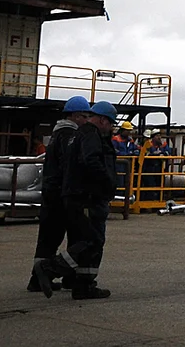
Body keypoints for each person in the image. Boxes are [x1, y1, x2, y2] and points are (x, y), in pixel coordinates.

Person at [33, 101, 119, 300]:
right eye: (111, 123)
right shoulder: (90, 135)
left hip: (79, 195)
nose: (112, 128)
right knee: (91, 240)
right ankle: (50, 268)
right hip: (88, 196)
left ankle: (83, 285)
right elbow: (92, 162)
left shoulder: (79, 135)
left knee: (89, 241)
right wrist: (107, 184)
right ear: (103, 120)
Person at [27, 96, 91, 293]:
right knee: (79, 237)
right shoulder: (69, 136)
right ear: (73, 116)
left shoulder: (56, 134)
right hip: (61, 195)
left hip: (50, 193)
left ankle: (36, 280)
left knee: (48, 239)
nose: (86, 120)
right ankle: (68, 277)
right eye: (83, 116)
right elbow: (69, 166)